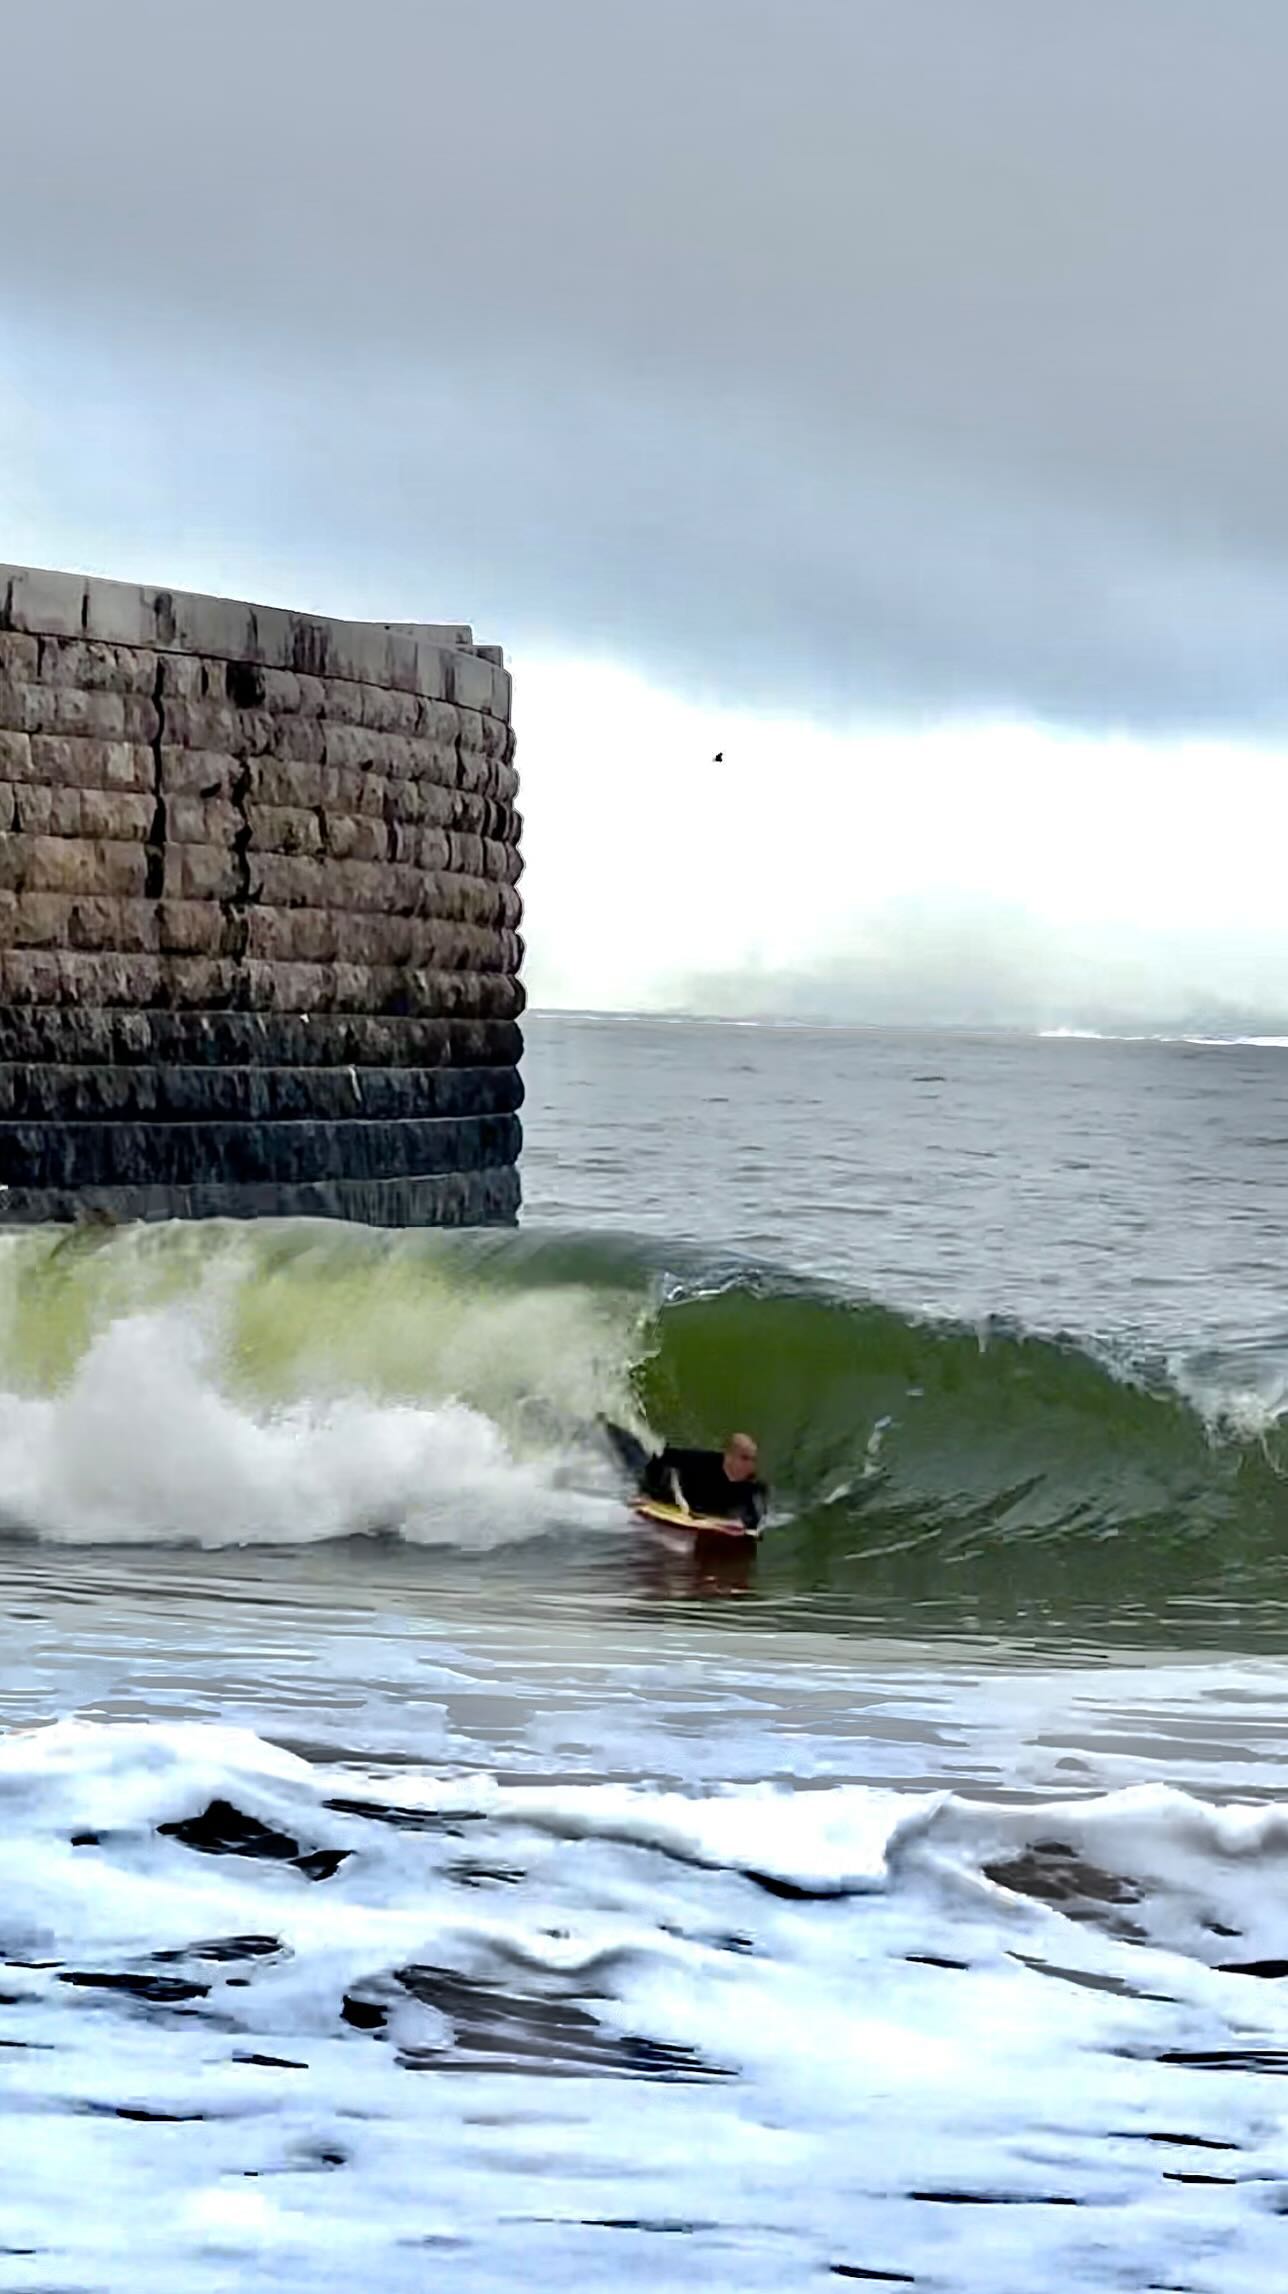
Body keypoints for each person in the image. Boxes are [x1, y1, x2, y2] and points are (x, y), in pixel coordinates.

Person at [601, 1421, 767, 1531]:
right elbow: (663, 1457)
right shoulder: (703, 1462)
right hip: (663, 1488)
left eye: (753, 1459)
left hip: (694, 1505)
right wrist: (646, 1494)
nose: (751, 1465)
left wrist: (729, 1524)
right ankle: (608, 1424)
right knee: (634, 1458)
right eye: (745, 1458)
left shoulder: (752, 1485)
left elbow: (753, 1518)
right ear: (729, 1456)